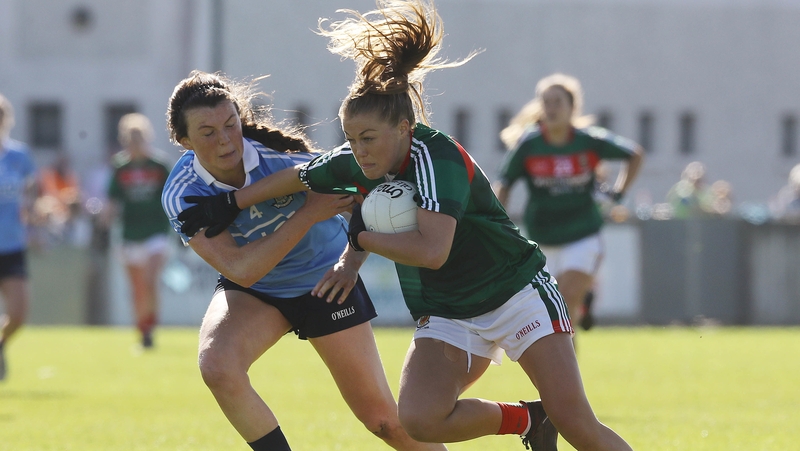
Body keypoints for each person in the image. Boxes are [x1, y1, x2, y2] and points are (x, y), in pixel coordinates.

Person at [176, 2, 634, 450]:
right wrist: (231, 202)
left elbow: (431, 250)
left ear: (404, 127)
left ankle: (550, 417)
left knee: (577, 424)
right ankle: (530, 420)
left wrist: (358, 239)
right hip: (448, 310)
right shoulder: (359, 158)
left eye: (368, 139)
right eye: (350, 140)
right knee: (417, 421)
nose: (358, 152)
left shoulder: (438, 157)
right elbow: (297, 175)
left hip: (515, 293)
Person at [162, 70, 445, 451]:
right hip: (255, 291)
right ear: (183, 140)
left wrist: (350, 264)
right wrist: (307, 213)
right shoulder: (183, 192)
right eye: (207, 132)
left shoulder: (285, 161)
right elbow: (242, 270)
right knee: (217, 365)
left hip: (325, 282)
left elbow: (365, 206)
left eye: (230, 124)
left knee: (383, 422)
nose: (225, 139)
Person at [493, 73, 644, 337]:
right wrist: (497, 226)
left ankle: (569, 360)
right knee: (550, 312)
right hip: (543, 237)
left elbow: (634, 154)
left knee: (565, 299)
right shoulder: (529, 144)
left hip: (582, 234)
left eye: (557, 102)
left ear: (572, 108)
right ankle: (580, 314)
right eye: (546, 102)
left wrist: (619, 191)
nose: (551, 108)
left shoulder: (589, 141)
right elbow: (504, 184)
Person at [104, 113, 173, 348]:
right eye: (130, 138)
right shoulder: (120, 167)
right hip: (130, 233)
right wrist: (104, 220)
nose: (134, 143)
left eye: (138, 137)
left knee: (150, 279)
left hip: (156, 231)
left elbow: (172, 197)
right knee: (137, 287)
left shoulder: (160, 165)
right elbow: (113, 200)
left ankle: (151, 326)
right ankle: (142, 330)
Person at [0, 93, 39, 381]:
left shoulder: (19, 156)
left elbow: (31, 197)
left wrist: (36, 225)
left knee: (18, 314)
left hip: (13, 243)